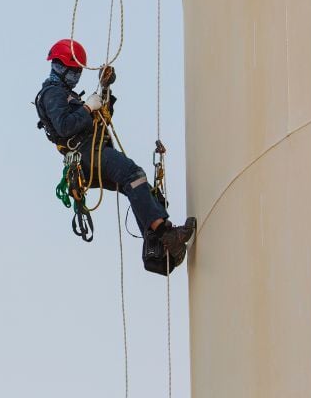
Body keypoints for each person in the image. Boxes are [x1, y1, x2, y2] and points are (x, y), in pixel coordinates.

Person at [35, 39, 195, 266]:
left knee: (144, 191)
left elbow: (99, 117)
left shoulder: (66, 95)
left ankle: (156, 250)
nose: (76, 75)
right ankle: (166, 235)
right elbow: (65, 126)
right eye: (75, 70)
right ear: (62, 67)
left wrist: (105, 88)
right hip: (85, 153)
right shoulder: (52, 94)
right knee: (132, 175)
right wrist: (88, 108)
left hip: (91, 151)